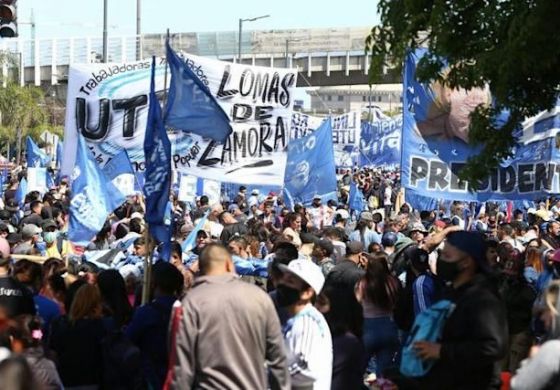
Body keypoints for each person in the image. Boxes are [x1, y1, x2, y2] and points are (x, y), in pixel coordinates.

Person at [167, 244, 290, 389]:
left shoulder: (190, 304)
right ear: (229, 264)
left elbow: (181, 368)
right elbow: (278, 358)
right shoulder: (259, 298)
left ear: (202, 268)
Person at [412, 231, 507, 389]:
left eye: (448, 257)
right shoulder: (452, 291)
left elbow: (493, 346)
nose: (442, 261)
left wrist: (442, 351)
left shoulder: (482, 297)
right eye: (442, 255)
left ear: (466, 262)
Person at [127, 261, 184, 390]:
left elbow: (129, 338)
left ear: (153, 284)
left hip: (152, 377)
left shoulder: (146, 312)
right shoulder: (187, 311)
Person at [277, 258, 333, 389]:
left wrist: (268, 375)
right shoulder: (295, 320)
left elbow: (306, 368)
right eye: (284, 279)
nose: (282, 284)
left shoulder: (308, 322)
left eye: (290, 281)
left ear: (307, 292)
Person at [49, 284, 110, 388]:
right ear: (96, 304)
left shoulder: (59, 324)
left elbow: (53, 355)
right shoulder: (101, 326)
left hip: (65, 381)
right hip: (93, 382)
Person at [356, 253, 401, 377]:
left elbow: (357, 302)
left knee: (358, 370)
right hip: (389, 326)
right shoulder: (393, 281)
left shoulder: (363, 283)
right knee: (384, 372)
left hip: (368, 326)